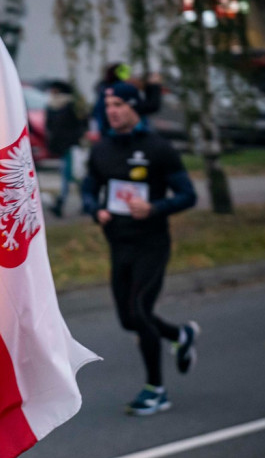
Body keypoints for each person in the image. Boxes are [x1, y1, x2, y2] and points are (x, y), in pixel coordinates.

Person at [81, 82, 200, 416]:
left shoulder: (159, 148)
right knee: (129, 319)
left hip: (151, 243)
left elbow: (188, 195)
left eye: (119, 104)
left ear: (134, 107)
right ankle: (179, 334)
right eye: (109, 106)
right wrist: (96, 210)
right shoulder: (102, 148)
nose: (112, 111)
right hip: (119, 243)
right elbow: (89, 189)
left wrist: (154, 208)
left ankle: (156, 390)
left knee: (140, 310)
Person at [45, 81, 87, 218]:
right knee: (74, 176)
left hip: (70, 146)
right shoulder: (51, 106)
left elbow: (80, 123)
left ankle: (61, 203)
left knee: (69, 175)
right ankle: (86, 202)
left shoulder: (70, 106)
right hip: (62, 146)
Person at [89, 63, 163, 141]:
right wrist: (154, 86)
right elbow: (150, 106)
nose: (134, 77)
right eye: (131, 74)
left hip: (108, 138)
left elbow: (94, 115)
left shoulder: (104, 90)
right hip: (128, 139)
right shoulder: (124, 89)